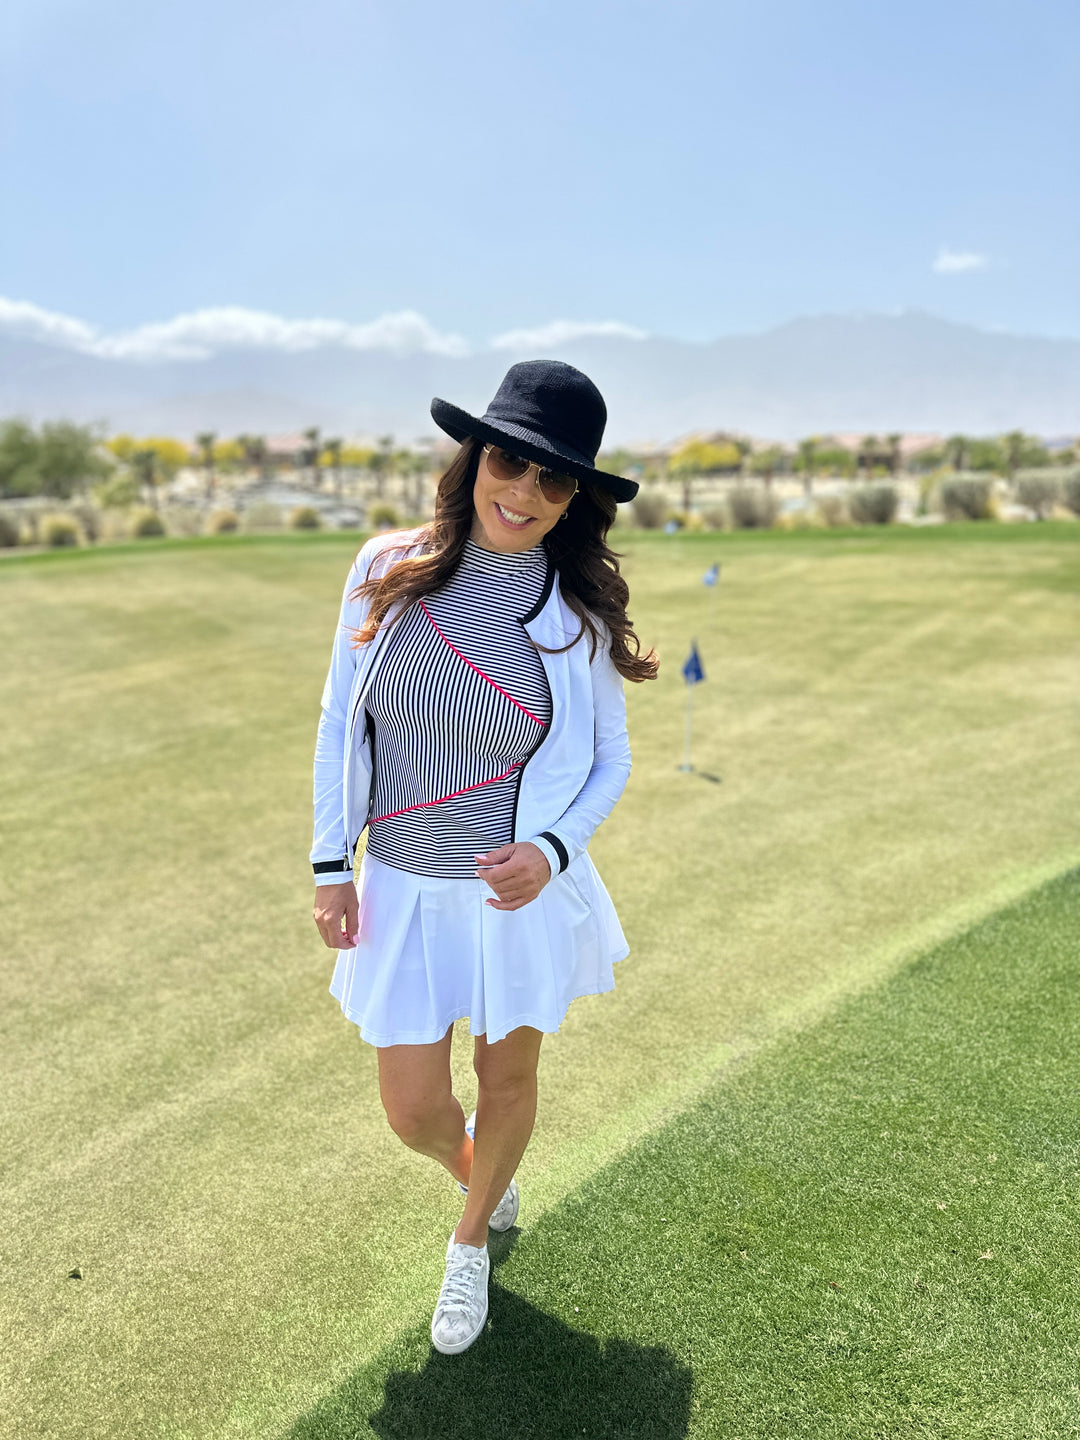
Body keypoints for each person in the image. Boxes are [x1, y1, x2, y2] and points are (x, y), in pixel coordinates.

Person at [309, 359, 658, 1356]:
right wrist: (332, 865)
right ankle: (478, 1175)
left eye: (557, 481)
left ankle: (469, 1247)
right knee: (413, 1107)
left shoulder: (576, 616)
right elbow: (342, 723)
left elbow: (611, 760)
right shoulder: (385, 568)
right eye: (511, 460)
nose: (526, 492)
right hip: (404, 885)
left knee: (508, 1079)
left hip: (516, 897)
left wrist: (552, 850)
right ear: (474, 458)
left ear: (575, 500)